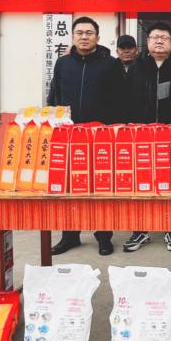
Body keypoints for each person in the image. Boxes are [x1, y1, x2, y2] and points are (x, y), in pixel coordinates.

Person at [47, 16, 126, 256]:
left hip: (101, 137)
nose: (84, 37)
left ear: (97, 37)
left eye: (89, 33)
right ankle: (70, 236)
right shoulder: (62, 64)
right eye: (79, 33)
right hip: (70, 136)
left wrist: (114, 131)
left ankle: (103, 236)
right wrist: (55, 124)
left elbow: (121, 100)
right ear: (72, 37)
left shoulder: (110, 64)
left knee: (101, 187)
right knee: (70, 187)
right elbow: (54, 96)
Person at [122, 22, 171, 253]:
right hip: (141, 135)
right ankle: (140, 230)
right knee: (141, 182)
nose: (159, 41)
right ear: (147, 42)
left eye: (164, 37)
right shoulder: (136, 68)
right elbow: (126, 102)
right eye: (154, 37)